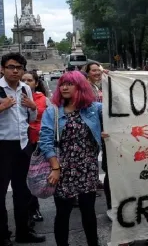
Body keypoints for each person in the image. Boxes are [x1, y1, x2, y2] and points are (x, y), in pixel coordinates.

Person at [39, 71, 106, 246]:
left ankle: (93, 243)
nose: (64, 87)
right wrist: (55, 168)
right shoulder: (52, 112)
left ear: (80, 87)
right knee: (63, 213)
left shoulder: (93, 109)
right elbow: (45, 141)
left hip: (87, 168)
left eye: (70, 84)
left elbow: (119, 108)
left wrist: (111, 78)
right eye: (62, 84)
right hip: (62, 170)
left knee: (88, 211)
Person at [0, 53, 46, 245]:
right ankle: (3, 236)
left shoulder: (26, 88)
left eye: (19, 67)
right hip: (2, 146)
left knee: (23, 192)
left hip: (22, 145)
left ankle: (23, 231)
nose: (15, 70)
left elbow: (33, 116)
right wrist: (2, 107)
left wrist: (33, 106)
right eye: (11, 67)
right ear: (3, 69)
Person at [22, 71, 51, 224]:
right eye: (23, 80)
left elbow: (52, 118)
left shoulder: (43, 99)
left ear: (36, 83)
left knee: (42, 174)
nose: (26, 83)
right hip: (24, 141)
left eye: (29, 80)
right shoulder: (15, 97)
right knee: (27, 176)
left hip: (41, 141)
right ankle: (33, 208)